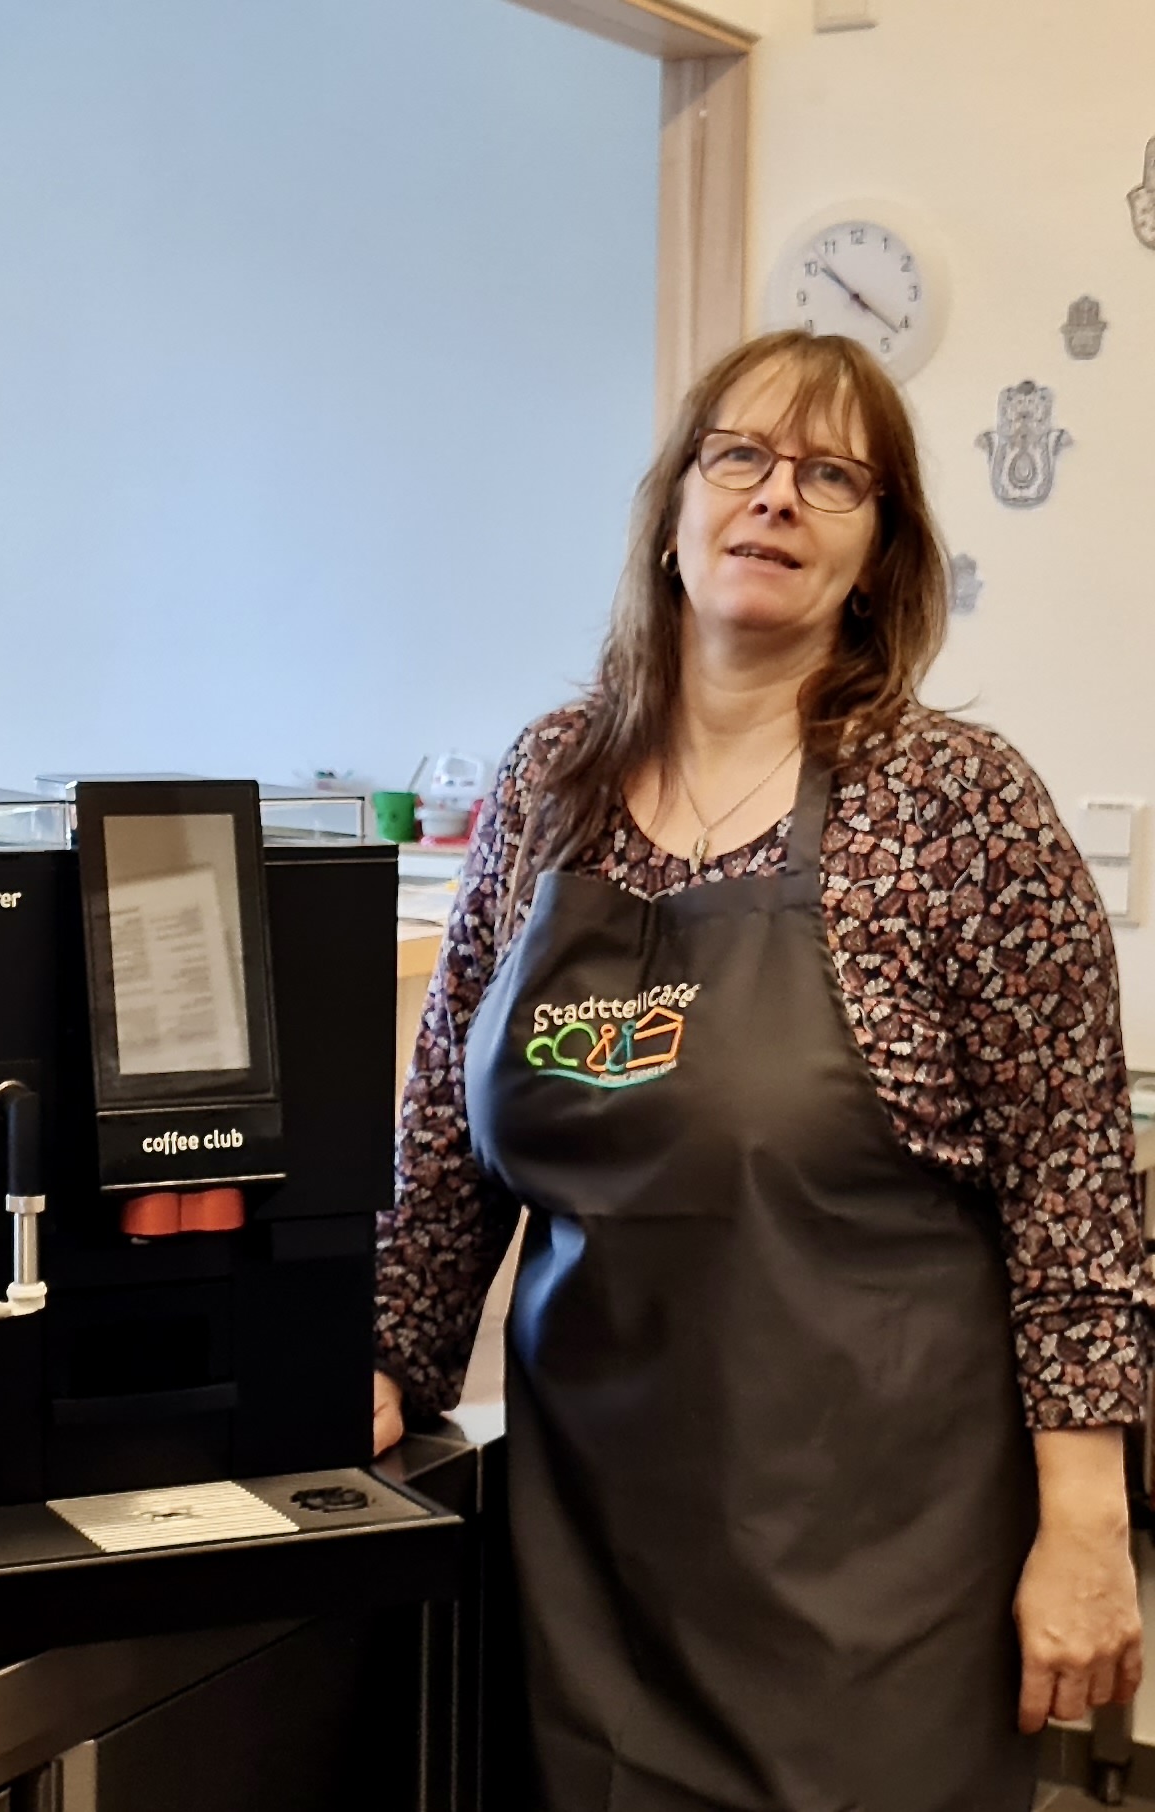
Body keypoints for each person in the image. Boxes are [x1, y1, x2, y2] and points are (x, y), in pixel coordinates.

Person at [374, 329, 1151, 1810]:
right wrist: (383, 1366)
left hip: (871, 1585)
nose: (776, 498)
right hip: (586, 1556)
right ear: (673, 515)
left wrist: (1087, 1528)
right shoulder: (554, 782)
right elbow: (443, 1138)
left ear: (880, 554)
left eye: (832, 477)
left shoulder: (957, 809)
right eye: (741, 458)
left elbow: (1076, 1202)